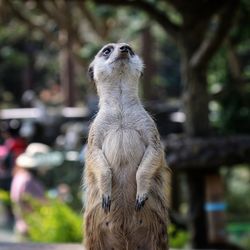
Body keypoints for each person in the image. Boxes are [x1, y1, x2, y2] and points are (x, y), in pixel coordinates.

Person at [10, 143, 49, 237]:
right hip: (29, 229)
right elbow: (36, 205)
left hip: (21, 226)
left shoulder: (20, 175)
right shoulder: (28, 181)